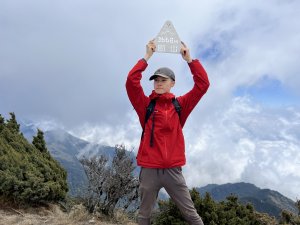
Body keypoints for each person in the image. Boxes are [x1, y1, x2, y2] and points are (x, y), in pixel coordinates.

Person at [126, 40, 210, 225]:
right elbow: (131, 82)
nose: (158, 83)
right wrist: (146, 56)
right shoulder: (146, 105)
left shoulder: (180, 105)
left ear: (172, 83)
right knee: (144, 215)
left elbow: (202, 85)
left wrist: (190, 60)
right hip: (149, 169)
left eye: (163, 80)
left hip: (173, 169)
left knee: (191, 215)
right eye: (156, 80)